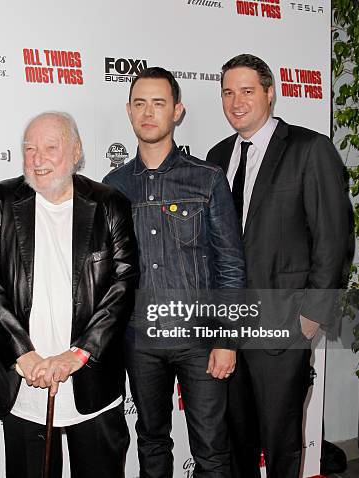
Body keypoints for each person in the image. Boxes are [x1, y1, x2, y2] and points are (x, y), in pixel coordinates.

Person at [206, 53, 353, 478]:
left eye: (247, 91)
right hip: (227, 329)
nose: (236, 101)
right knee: (237, 442)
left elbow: (334, 237)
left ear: (270, 93)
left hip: (283, 327)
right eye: (228, 92)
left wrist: (311, 317)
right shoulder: (217, 156)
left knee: (282, 443)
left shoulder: (309, 149)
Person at [0, 111, 138, 478]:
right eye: (29, 148)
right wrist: (24, 355)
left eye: (50, 147)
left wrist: (80, 353)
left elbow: (123, 284)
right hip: (23, 384)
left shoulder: (110, 205)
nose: (37, 158)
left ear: (76, 151)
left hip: (92, 379)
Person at [103, 67, 245, 478]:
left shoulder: (207, 180)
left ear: (177, 111)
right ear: (129, 111)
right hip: (138, 340)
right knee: (150, 441)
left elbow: (230, 265)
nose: (149, 113)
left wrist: (227, 339)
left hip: (201, 340)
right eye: (140, 103)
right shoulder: (112, 187)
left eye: (159, 103)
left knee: (212, 452)